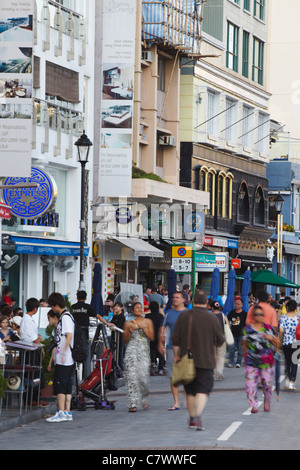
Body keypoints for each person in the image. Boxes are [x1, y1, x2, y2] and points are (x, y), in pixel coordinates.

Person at [172, 290, 225, 430]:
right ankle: (198, 416)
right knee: (203, 390)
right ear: (206, 302)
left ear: (192, 301)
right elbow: (220, 340)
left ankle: (191, 418)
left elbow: (175, 339)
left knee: (190, 391)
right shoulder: (212, 318)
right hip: (206, 360)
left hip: (186, 358)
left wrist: (176, 356)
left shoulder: (184, 316)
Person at [242, 304, 279, 413]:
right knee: (250, 383)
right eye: (257, 314)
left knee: (267, 383)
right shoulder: (247, 329)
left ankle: (267, 401)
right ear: (253, 316)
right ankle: (253, 405)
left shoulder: (268, 328)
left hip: (266, 361)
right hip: (251, 360)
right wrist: (245, 356)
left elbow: (277, 342)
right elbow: (244, 344)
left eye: (261, 314)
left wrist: (270, 338)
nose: (259, 316)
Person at [46, 292, 75, 422]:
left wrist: (63, 352)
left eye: (52, 306)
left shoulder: (65, 318)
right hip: (66, 357)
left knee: (60, 385)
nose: (52, 308)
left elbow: (69, 335)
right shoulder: (66, 317)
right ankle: (67, 412)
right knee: (66, 384)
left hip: (65, 358)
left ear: (57, 305)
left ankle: (61, 412)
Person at [72, 290, 114, 376]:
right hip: (85, 334)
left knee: (74, 357)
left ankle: (74, 379)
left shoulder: (72, 307)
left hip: (75, 335)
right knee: (87, 357)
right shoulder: (87, 307)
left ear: (77, 298)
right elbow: (98, 316)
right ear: (86, 298)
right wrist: (107, 323)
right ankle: (86, 377)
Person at [123, 302, 154, 412]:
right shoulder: (128, 323)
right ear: (132, 310)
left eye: (141, 307)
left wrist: (144, 328)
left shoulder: (148, 321)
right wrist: (130, 331)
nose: (140, 309)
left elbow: (152, 337)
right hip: (131, 351)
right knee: (131, 376)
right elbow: (125, 340)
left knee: (143, 377)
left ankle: (144, 396)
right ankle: (132, 403)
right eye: (137, 308)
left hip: (143, 352)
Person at [158, 292, 187, 410]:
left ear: (184, 300)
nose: (174, 299)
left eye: (177, 297)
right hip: (171, 347)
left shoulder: (189, 313)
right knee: (173, 376)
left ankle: (186, 397)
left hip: (187, 348)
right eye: (173, 297)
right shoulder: (169, 313)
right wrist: (160, 342)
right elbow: (162, 328)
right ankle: (176, 402)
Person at [20, 297, 49, 407]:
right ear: (36, 309)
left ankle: (33, 398)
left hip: (31, 349)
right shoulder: (28, 320)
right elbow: (34, 339)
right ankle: (32, 399)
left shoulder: (27, 319)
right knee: (33, 375)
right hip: (30, 350)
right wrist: (41, 346)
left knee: (34, 375)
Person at [279, 299, 300, 390]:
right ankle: (292, 381)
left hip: (286, 343)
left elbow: (281, 330)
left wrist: (279, 340)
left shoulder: (283, 317)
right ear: (296, 308)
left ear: (287, 307)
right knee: (294, 362)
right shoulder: (299, 317)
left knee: (287, 362)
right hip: (297, 343)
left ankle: (287, 378)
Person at [145, 301, 165, 375]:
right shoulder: (161, 316)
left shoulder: (147, 316)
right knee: (161, 351)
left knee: (152, 349)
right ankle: (161, 368)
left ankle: (153, 363)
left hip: (151, 335)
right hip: (160, 335)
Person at [227, 298, 247, 368]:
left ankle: (238, 362)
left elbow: (247, 324)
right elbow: (228, 321)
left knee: (240, 349)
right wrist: (229, 329)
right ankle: (231, 361)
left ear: (241, 305)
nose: (236, 305)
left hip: (241, 334)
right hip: (232, 334)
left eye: (238, 304)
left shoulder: (244, 314)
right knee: (231, 349)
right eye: (235, 303)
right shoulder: (231, 312)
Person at [210, 301, 228, 381]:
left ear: (212, 308)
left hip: (211, 338)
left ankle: (213, 372)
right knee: (220, 356)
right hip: (221, 337)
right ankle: (219, 372)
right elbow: (227, 325)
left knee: (212, 355)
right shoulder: (222, 315)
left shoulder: (209, 316)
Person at [110, 301, 126, 370]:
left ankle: (120, 369)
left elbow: (119, 327)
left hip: (119, 337)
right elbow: (111, 324)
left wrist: (113, 327)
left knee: (119, 354)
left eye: (117, 306)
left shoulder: (122, 317)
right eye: (114, 306)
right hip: (114, 337)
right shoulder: (115, 316)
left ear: (121, 308)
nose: (115, 308)